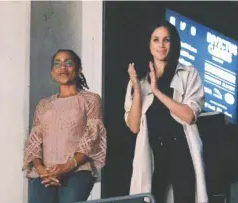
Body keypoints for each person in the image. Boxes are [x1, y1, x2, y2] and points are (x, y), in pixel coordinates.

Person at [124, 20, 208, 203]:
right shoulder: (138, 79)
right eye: (156, 40)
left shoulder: (188, 73)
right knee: (152, 197)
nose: (161, 45)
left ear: (173, 43)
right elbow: (133, 126)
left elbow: (189, 115)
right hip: (152, 153)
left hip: (181, 150)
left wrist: (158, 92)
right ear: (149, 44)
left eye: (166, 40)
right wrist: (138, 89)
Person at [23, 49, 107, 203]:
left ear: (79, 69)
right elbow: (34, 142)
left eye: (68, 63)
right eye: (57, 64)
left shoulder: (91, 100)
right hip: (46, 174)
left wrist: (67, 166)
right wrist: (42, 170)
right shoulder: (44, 104)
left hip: (77, 171)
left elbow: (91, 137)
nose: (63, 68)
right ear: (52, 73)